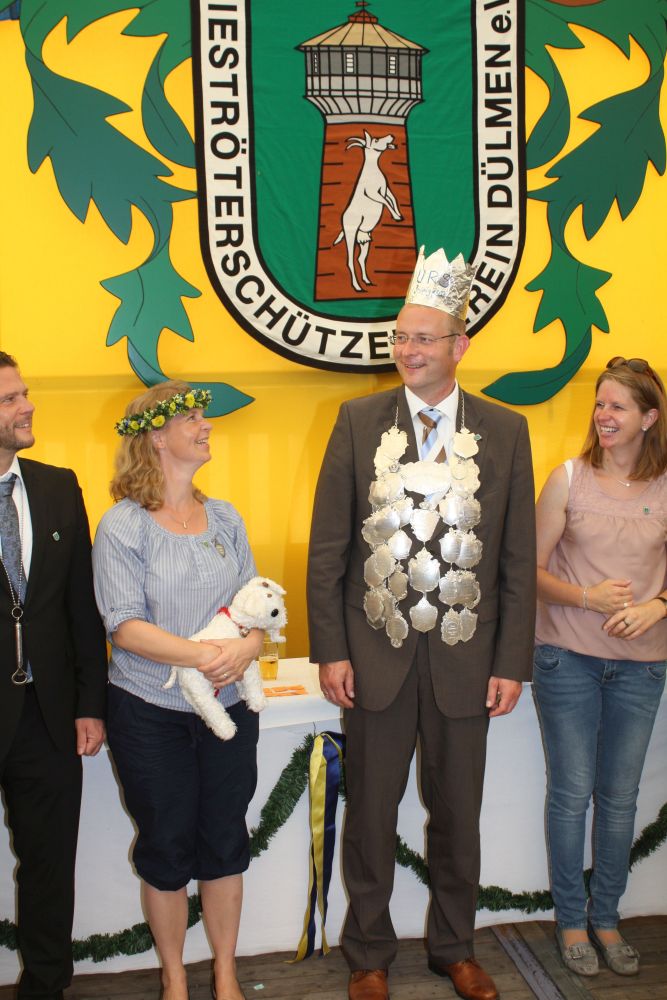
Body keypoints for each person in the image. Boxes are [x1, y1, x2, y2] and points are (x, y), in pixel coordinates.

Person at [307, 248, 536, 1000]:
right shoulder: (356, 421)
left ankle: (454, 947)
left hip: (468, 661)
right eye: (400, 337)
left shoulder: (505, 429)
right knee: (370, 814)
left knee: (458, 816)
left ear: (458, 346)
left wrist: (511, 661)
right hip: (374, 655)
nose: (406, 350)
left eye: (422, 338)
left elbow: (515, 556)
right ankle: (368, 954)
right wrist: (331, 650)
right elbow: (329, 548)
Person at [92, 381, 263, 1000]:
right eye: (191, 417)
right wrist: (208, 656)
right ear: (157, 437)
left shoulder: (226, 518)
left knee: (225, 838)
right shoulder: (123, 526)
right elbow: (124, 625)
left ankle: (225, 973)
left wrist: (248, 647)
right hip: (150, 714)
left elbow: (256, 605)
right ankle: (174, 978)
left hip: (229, 709)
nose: (205, 425)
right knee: (166, 844)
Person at [533, 356, 667, 978]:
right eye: (600, 403)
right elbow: (526, 573)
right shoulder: (567, 478)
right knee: (571, 794)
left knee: (619, 799)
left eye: (618, 406)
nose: (604, 415)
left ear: (650, 418)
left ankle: (606, 918)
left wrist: (657, 607)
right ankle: (570, 921)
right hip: (566, 660)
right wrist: (586, 598)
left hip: (643, 668)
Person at [0, 351, 107, 1000]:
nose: (27, 406)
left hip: (48, 717)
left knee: (48, 869)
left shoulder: (58, 487)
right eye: (9, 399)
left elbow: (80, 609)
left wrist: (90, 703)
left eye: (24, 393)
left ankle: (47, 987)